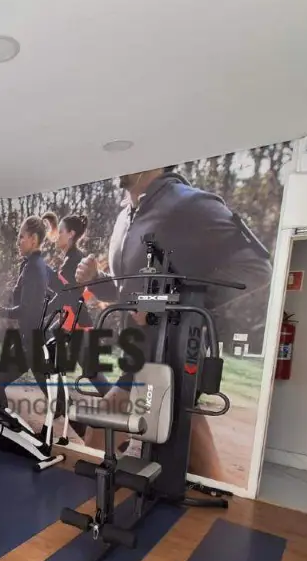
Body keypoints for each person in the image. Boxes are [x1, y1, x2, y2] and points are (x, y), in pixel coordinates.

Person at [74, 166, 273, 480]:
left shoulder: (189, 204)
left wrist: (163, 303)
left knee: (187, 455)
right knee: (104, 436)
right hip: (141, 358)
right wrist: (96, 280)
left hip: (178, 357)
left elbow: (257, 269)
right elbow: (129, 293)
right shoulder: (126, 216)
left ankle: (220, 504)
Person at [0, 216, 55, 407]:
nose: (18, 241)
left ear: (34, 239)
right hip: (32, 341)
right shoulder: (35, 265)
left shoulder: (33, 267)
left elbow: (26, 310)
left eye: (22, 237)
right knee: (58, 401)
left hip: (32, 344)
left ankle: (3, 423)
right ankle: (5, 425)